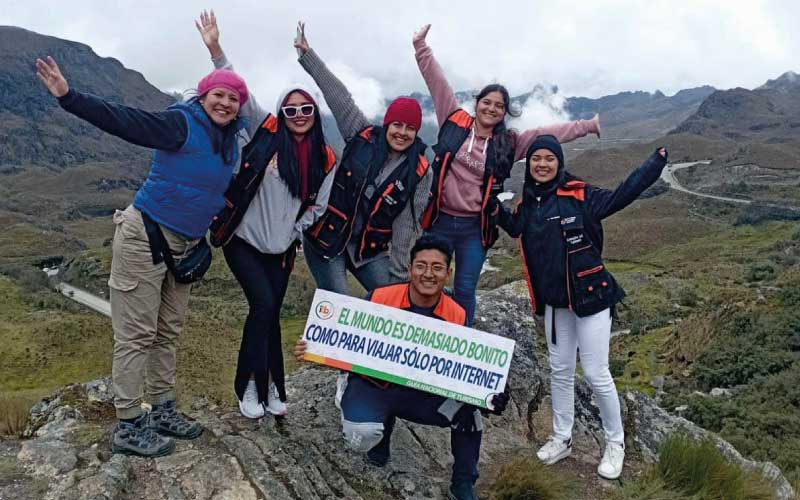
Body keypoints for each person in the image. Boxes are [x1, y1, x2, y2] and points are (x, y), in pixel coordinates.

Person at [35, 56, 249, 456]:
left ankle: (163, 408)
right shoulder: (181, 123)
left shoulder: (229, 140)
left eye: (233, 99)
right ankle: (129, 423)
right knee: (136, 335)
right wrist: (69, 97)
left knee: (168, 331)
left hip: (186, 246)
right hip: (144, 236)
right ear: (203, 96)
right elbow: (126, 121)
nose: (225, 103)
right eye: (218, 95)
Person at [494, 134, 668, 480]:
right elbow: (512, 226)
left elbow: (621, 195)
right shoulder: (528, 205)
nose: (542, 164)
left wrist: (654, 164)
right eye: (536, 159)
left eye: (549, 158)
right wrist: (485, 195)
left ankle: (615, 444)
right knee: (559, 370)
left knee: (595, 372)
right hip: (556, 304)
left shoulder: (579, 195)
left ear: (559, 163)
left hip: (592, 299)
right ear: (528, 165)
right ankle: (562, 438)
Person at [196, 11, 337, 419]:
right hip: (243, 241)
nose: (298, 115)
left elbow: (319, 206)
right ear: (281, 113)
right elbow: (238, 91)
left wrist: (296, 230)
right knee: (262, 306)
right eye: (291, 110)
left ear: (314, 114)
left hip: (280, 250)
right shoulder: (267, 131)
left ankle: (274, 385)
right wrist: (215, 49)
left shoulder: (325, 158)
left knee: (271, 312)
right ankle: (248, 385)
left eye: (305, 109)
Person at [293, 234, 510, 500]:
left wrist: (490, 393)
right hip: (373, 386)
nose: (428, 274)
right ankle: (380, 429)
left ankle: (463, 482)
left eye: (437, 268)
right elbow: (344, 339)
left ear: (448, 274)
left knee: (469, 414)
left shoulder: (457, 314)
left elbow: (464, 369)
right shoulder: (379, 297)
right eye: (421, 266)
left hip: (420, 394)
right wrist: (313, 346)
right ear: (409, 270)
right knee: (360, 436)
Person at [413, 24, 601, 326]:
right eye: (487, 102)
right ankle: (424, 333)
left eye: (499, 106)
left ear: (504, 113)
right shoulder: (454, 120)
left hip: (475, 227)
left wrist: (586, 126)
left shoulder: (508, 143)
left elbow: (546, 134)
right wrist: (421, 47)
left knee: (464, 289)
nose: (492, 108)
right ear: (477, 104)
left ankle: (460, 339)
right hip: (439, 221)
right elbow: (438, 83)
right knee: (427, 283)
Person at [294, 22, 433, 295]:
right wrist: (308, 56)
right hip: (326, 239)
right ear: (387, 124)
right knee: (339, 301)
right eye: (397, 125)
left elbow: (407, 226)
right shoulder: (362, 134)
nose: (402, 133)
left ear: (417, 132)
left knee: (391, 297)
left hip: (367, 250)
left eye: (410, 128)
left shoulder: (420, 172)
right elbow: (339, 97)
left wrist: (399, 278)